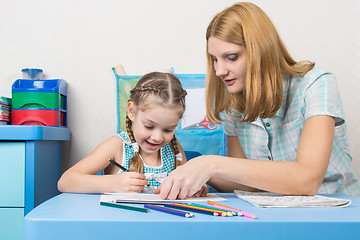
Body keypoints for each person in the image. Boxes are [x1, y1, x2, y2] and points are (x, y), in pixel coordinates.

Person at [155, 2, 360, 200]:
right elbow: (246, 183)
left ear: (260, 51)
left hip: (336, 212)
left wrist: (210, 164)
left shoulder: (316, 85)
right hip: (277, 214)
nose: (219, 71)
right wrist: (196, 173)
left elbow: (308, 180)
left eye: (232, 57)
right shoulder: (234, 104)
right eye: (215, 59)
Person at [58, 72, 208, 195]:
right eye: (149, 126)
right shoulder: (118, 146)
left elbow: (188, 182)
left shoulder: (174, 149)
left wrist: (194, 189)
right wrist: (114, 183)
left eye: (168, 130)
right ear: (132, 112)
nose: (157, 137)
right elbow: (66, 181)